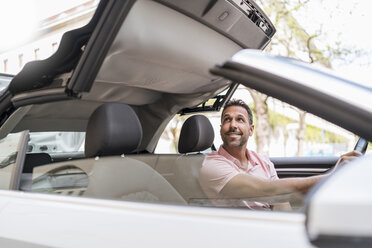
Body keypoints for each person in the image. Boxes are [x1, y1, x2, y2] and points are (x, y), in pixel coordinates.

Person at [199, 99, 360, 210]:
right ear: (221, 129)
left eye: (240, 120)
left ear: (251, 130)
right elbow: (267, 190)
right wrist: (333, 177)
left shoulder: (261, 161)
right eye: (227, 120)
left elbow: (280, 199)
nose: (233, 125)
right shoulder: (212, 165)